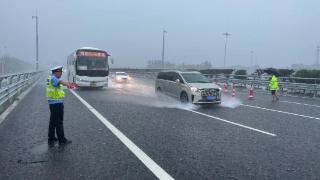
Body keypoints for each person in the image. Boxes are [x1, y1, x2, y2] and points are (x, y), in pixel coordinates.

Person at [47, 66, 75, 147]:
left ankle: (51, 138)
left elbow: (59, 82)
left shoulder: (49, 78)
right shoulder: (53, 78)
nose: (61, 74)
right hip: (56, 103)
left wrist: (66, 84)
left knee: (52, 121)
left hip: (52, 103)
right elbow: (60, 82)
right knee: (59, 122)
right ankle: (62, 140)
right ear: (56, 72)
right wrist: (68, 84)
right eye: (60, 72)